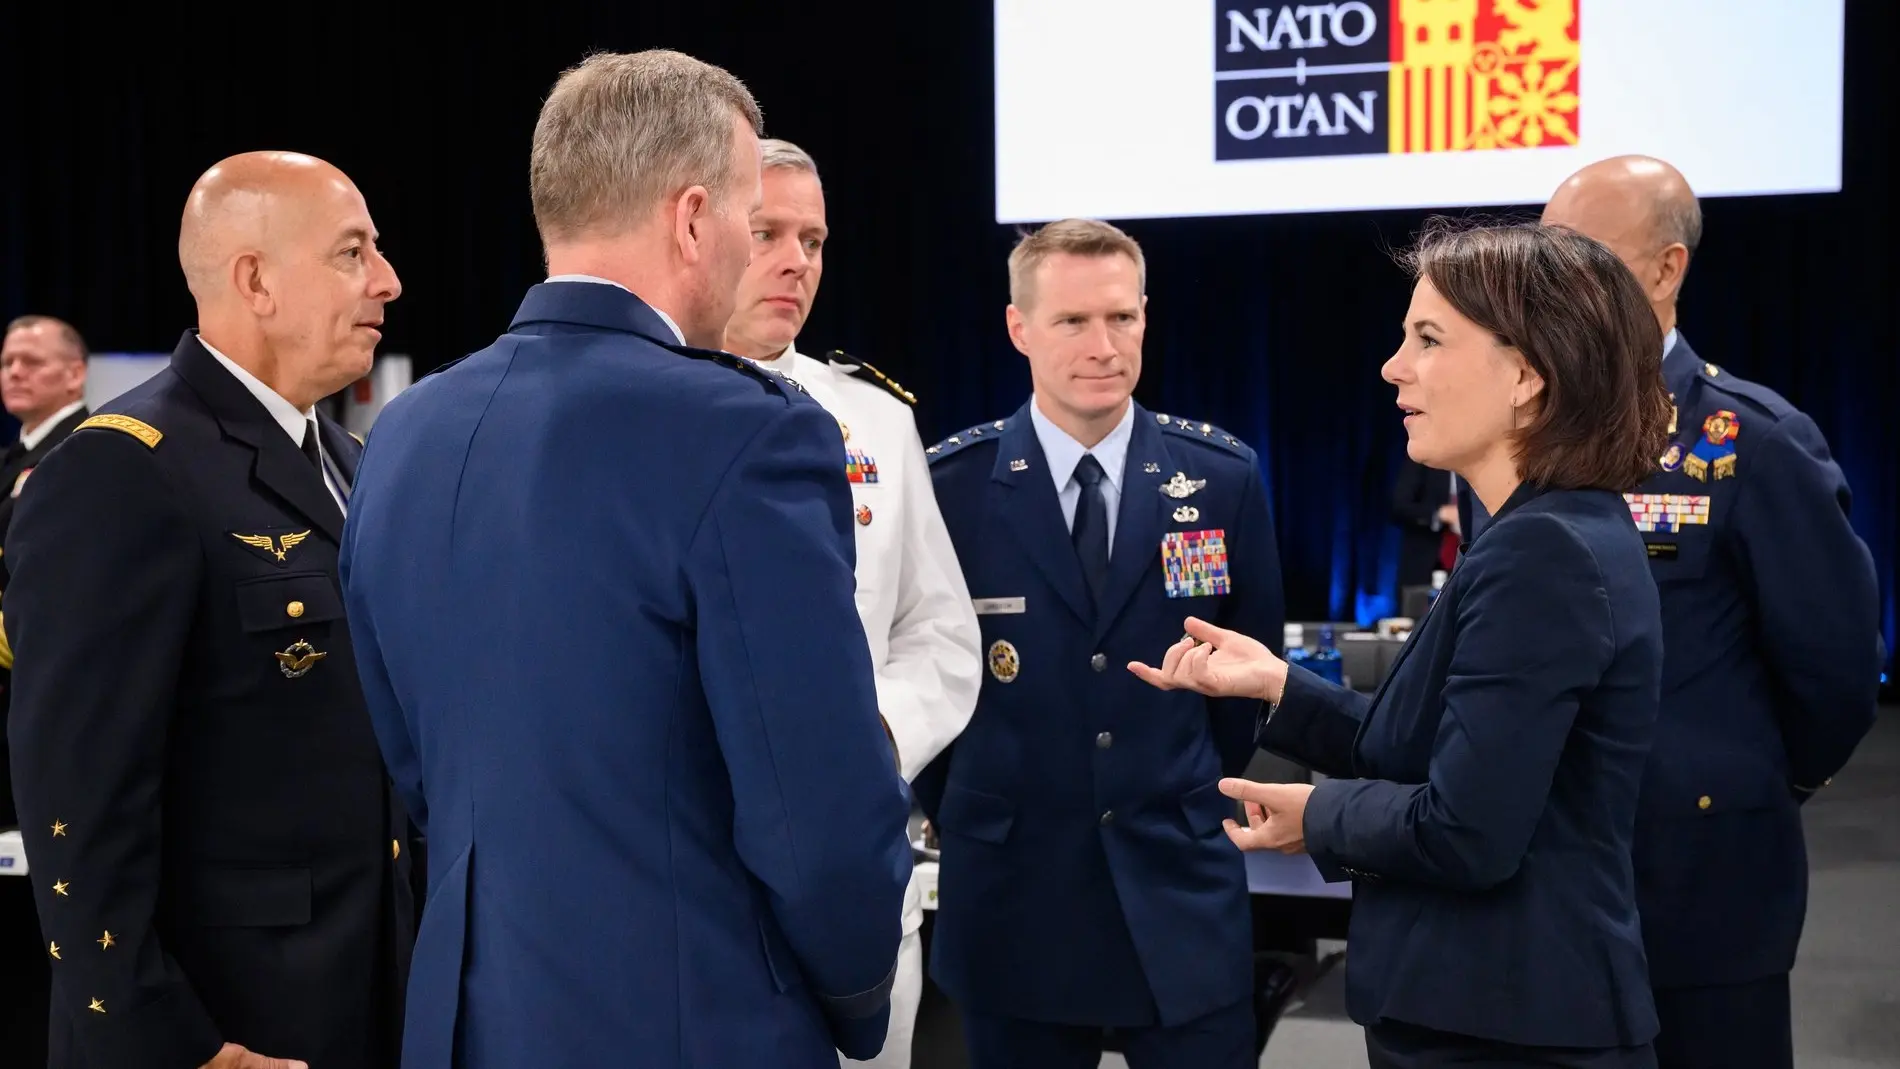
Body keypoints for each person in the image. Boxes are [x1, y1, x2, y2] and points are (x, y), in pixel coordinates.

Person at [337, 51, 912, 1069]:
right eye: (748, 214)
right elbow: (814, 805)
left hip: (468, 1022)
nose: (753, 247)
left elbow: (417, 763)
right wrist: (859, 995)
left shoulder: (404, 434)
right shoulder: (748, 433)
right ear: (692, 218)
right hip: (695, 1021)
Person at [1133, 220, 1673, 1067]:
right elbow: (1436, 746)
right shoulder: (1540, 533)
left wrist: (1317, 815)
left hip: (1508, 1029)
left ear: (1528, 375)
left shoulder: (1544, 550)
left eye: (1428, 339)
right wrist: (1280, 687)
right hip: (1496, 1012)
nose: (1393, 366)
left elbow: (1465, 827)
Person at [3, 150, 413, 1069]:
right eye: (353, 252)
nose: (388, 280)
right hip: (224, 1025)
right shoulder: (119, 470)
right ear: (254, 280)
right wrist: (167, 1042)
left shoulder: (350, 462)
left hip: (357, 998)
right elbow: (77, 802)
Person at [1535, 155, 1883, 1069]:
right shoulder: (1519, 431)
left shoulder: (1752, 440)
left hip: (1702, 881)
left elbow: (1835, 669)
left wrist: (1747, 780)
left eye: (1585, 255)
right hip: (1546, 883)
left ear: (1665, 269)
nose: (1554, 281)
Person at [916, 218, 1286, 1068]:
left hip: (1177, 888)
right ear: (1020, 329)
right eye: (1073, 321)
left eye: (1122, 318)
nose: (1103, 345)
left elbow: (1249, 683)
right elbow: (932, 688)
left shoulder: (1222, 478)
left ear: (1147, 317)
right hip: (1016, 896)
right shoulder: (952, 487)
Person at [722, 136, 983, 1069]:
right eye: (768, 233)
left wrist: (870, 738)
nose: (798, 260)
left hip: (856, 878)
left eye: (815, 239)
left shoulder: (878, 419)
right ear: (701, 227)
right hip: (696, 880)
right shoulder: (634, 405)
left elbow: (941, 632)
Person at [0, 312, 92, 1069]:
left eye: (33, 360)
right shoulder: (17, 460)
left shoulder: (82, 456)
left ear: (76, 374)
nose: (15, 372)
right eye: (7, 360)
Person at [1388, 457, 1458, 591]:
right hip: (1426, 562)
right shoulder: (1424, 458)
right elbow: (1399, 507)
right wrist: (1439, 514)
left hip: (1469, 564)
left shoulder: (1483, 462)